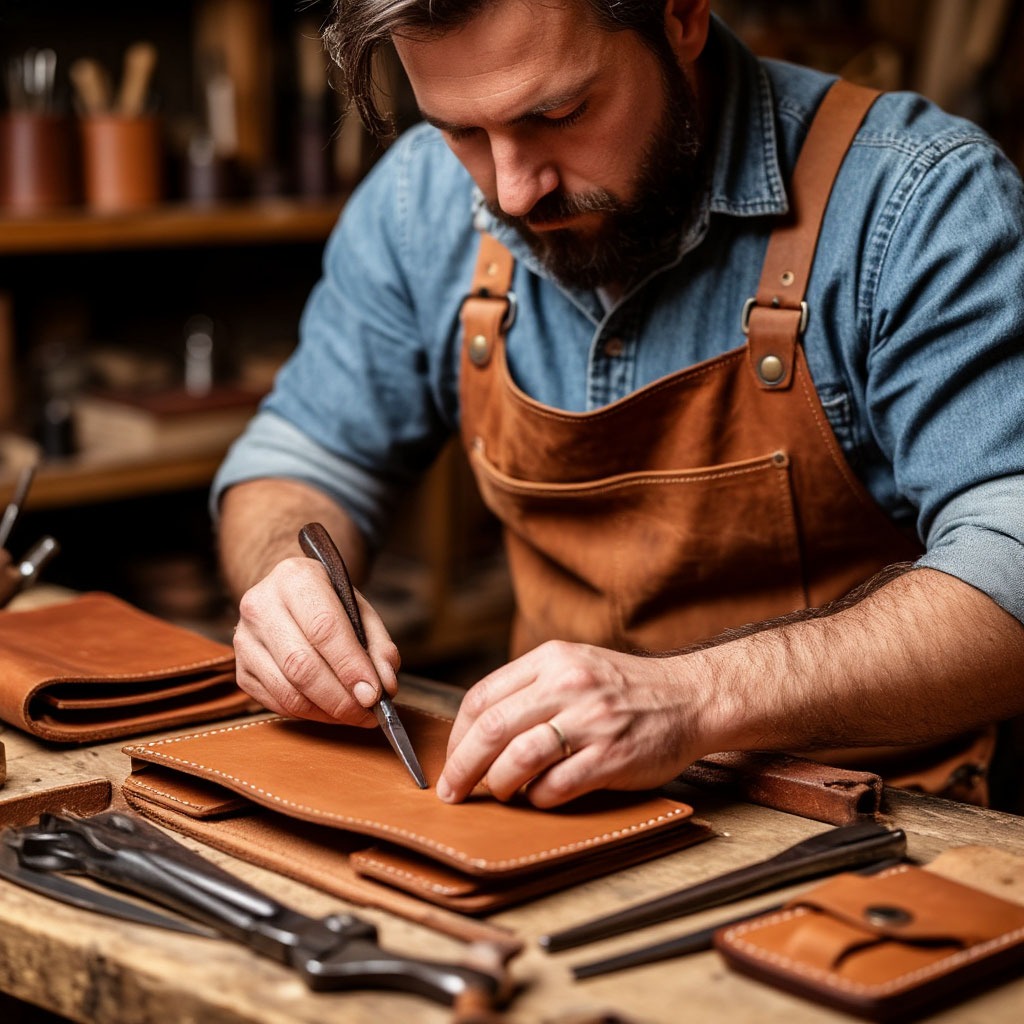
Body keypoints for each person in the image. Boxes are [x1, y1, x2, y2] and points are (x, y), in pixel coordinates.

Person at [213, 0, 1024, 811]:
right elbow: (302, 456)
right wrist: (286, 574)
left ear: (680, 18)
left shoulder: (920, 199)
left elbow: (1012, 561)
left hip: (880, 823)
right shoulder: (414, 205)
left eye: (559, 113)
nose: (514, 190)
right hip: (553, 806)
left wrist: (694, 699)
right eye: (460, 131)